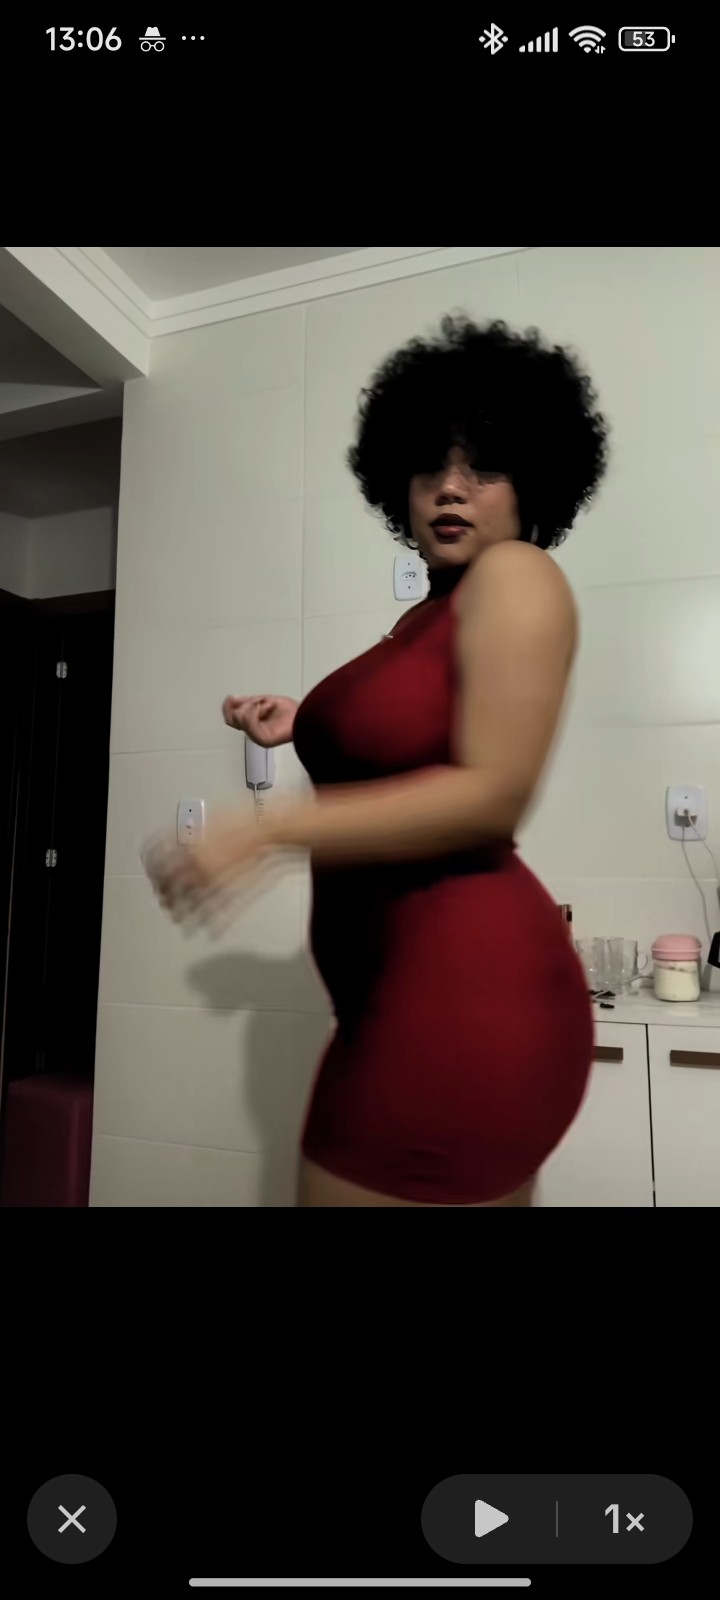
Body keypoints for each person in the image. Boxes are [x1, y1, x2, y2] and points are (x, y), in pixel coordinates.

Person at [146, 315, 609, 1209]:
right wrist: (306, 725)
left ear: (533, 485)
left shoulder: (517, 573)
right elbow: (413, 731)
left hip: (460, 1000)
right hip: (411, 1000)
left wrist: (267, 833)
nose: (450, 487)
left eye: (484, 467)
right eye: (431, 465)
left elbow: (492, 795)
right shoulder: (430, 614)